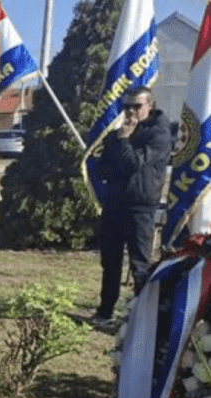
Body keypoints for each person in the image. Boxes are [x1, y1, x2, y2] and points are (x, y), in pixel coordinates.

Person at [93, 86, 172, 327]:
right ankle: (105, 311)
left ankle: (142, 318)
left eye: (136, 106)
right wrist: (119, 144)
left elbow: (133, 164)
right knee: (110, 261)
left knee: (140, 263)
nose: (130, 111)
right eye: (126, 106)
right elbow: (104, 166)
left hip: (140, 206)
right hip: (115, 203)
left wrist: (124, 141)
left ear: (150, 106)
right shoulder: (119, 130)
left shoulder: (158, 133)